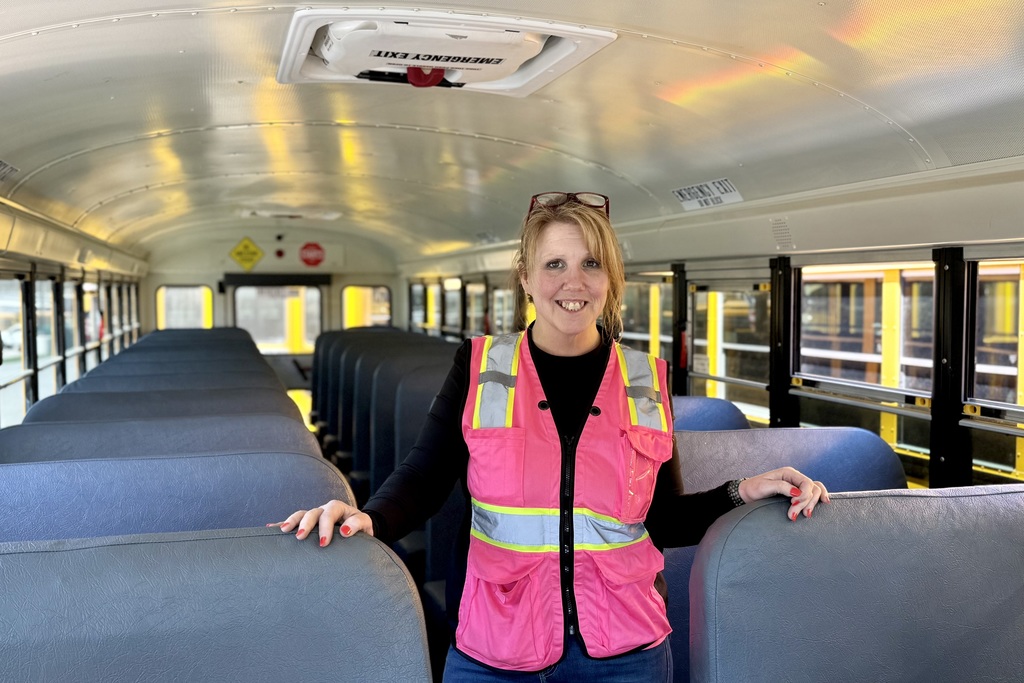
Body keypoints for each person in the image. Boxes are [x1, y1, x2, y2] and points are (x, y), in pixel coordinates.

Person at [272, 191, 830, 682]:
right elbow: (426, 474)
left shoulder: (646, 380)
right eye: (555, 263)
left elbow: (659, 521)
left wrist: (743, 491)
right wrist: (368, 516)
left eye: (591, 263)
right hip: (496, 647)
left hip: (627, 653)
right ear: (526, 278)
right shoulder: (480, 366)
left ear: (611, 280)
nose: (574, 282)